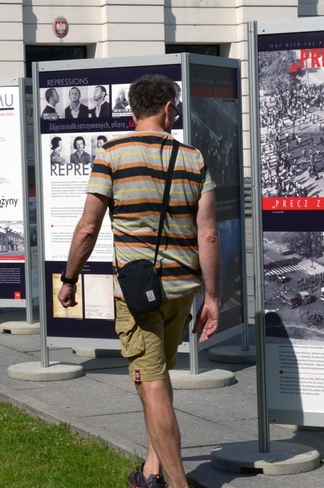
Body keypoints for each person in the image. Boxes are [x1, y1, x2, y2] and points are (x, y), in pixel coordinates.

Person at [57, 74, 220, 488]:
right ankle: (152, 471)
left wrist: (69, 278)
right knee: (157, 378)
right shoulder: (194, 158)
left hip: (137, 292)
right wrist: (213, 298)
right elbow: (208, 234)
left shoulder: (112, 155)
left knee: (151, 381)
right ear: (167, 108)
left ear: (134, 110)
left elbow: (87, 228)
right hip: (182, 291)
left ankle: (178, 483)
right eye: (176, 106)